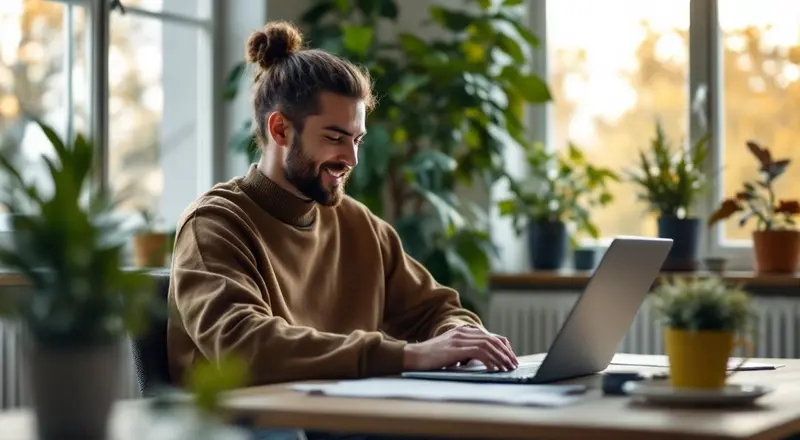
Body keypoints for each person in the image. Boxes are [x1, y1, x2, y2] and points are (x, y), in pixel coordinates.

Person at [166, 20, 518, 394]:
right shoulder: (214, 226)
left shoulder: (358, 224)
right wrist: (409, 356)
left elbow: (436, 308)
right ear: (280, 130)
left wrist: (461, 339)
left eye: (357, 140)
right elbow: (244, 349)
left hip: (344, 422)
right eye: (335, 137)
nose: (351, 158)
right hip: (250, 427)